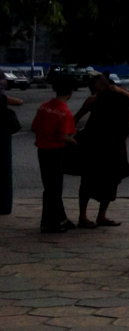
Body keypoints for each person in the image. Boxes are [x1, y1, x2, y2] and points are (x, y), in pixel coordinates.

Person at [75, 74, 129, 228]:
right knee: (88, 181)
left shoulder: (120, 96)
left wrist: (121, 91)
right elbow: (77, 117)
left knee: (112, 181)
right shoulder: (93, 101)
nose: (96, 94)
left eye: (98, 90)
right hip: (94, 146)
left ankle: (101, 216)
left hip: (115, 145)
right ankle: (82, 216)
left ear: (107, 86)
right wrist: (86, 105)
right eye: (93, 91)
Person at [32, 75, 77, 233]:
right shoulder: (65, 112)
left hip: (42, 150)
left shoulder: (44, 106)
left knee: (50, 187)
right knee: (55, 188)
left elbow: (35, 126)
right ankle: (53, 222)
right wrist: (74, 142)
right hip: (55, 151)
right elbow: (65, 136)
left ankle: (57, 218)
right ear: (70, 93)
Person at [1, 78, 22, 216]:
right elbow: (19, 101)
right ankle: (4, 205)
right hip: (3, 134)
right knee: (4, 172)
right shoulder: (2, 98)